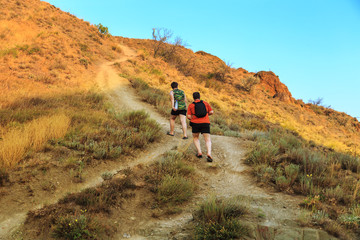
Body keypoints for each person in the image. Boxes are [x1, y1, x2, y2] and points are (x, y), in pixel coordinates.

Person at [187, 92, 214, 162]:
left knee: (196, 138)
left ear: (193, 97)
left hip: (195, 124)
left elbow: (189, 117)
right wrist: (206, 115)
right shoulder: (205, 103)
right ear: (199, 96)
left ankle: (199, 152)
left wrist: (194, 117)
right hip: (205, 123)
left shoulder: (191, 105)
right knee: (207, 139)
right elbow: (211, 112)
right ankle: (209, 153)